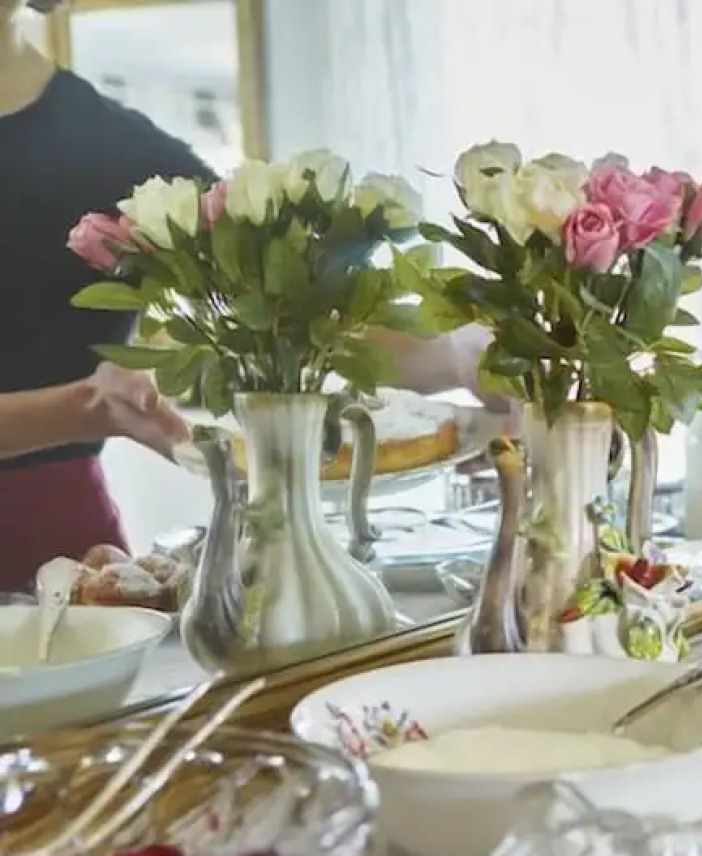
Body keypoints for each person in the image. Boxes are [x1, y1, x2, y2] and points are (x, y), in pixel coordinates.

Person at [0, 0, 490, 590]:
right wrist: (83, 406)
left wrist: (459, 358)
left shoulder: (110, 146)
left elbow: (292, 307)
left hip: (58, 559)